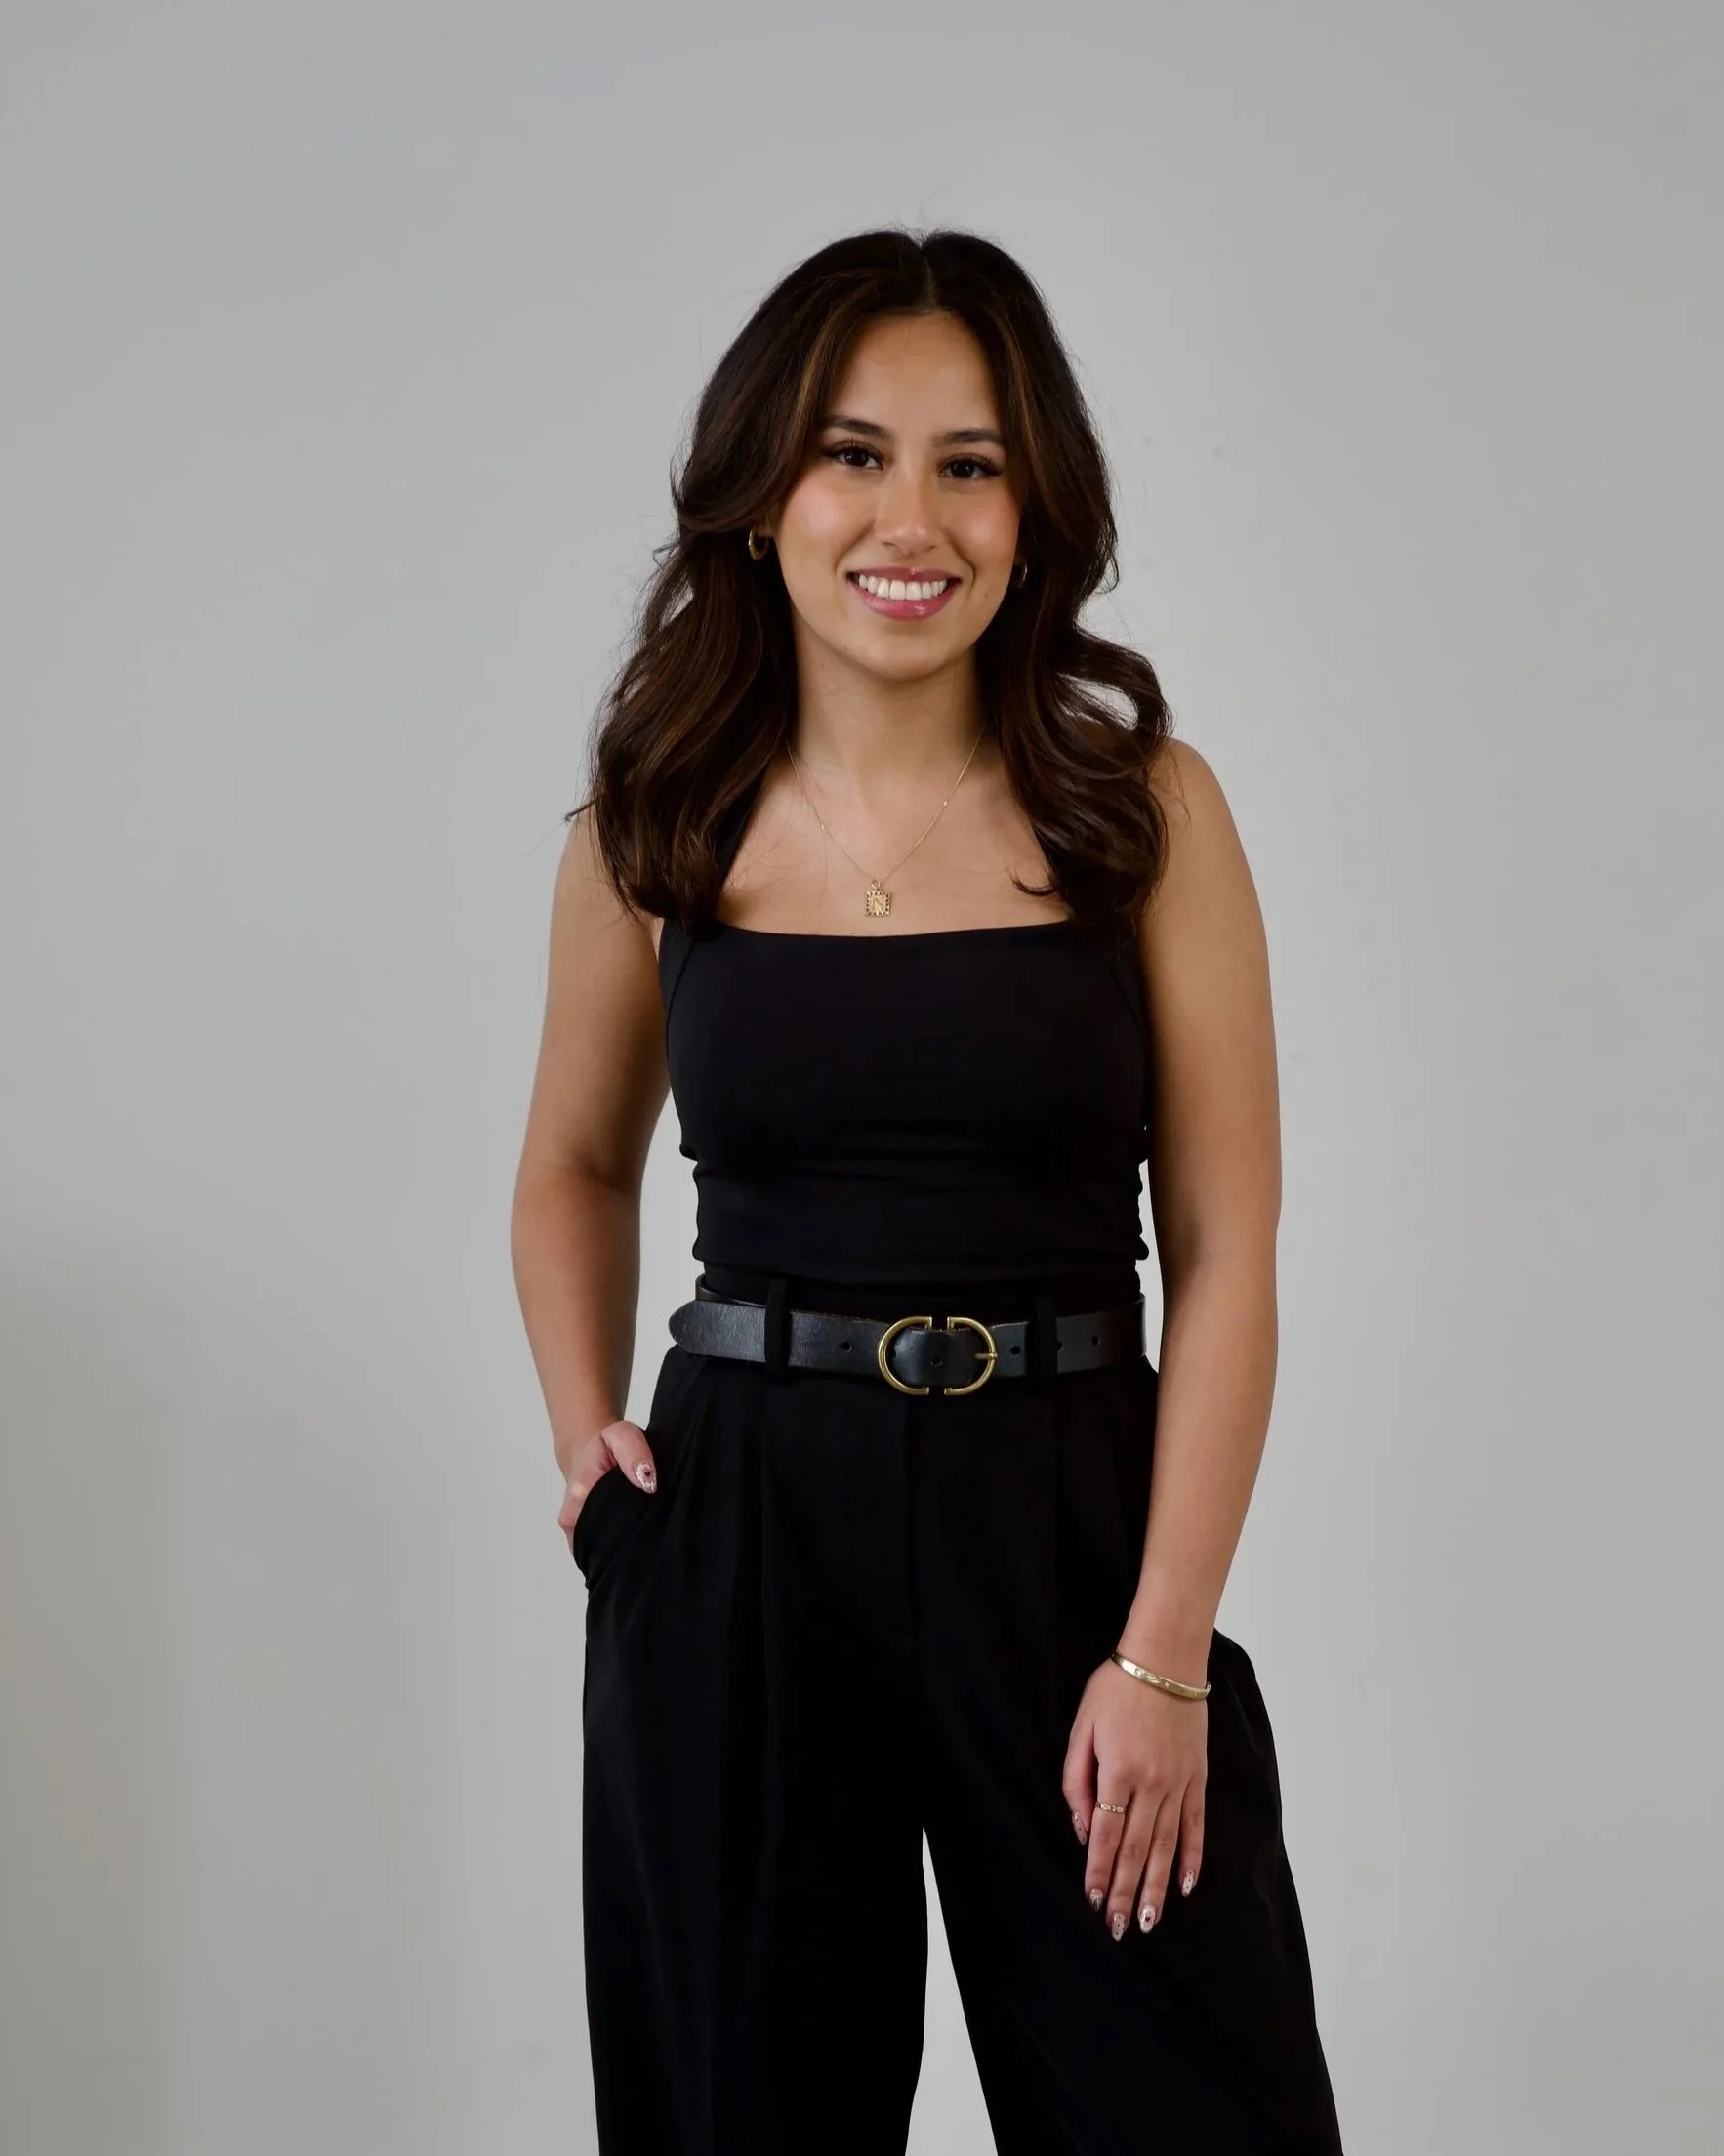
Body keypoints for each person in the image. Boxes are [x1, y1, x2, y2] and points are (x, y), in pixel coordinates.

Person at [511, 228, 1344, 2155]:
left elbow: (1225, 1253)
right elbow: (566, 1163)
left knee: (1185, 2104)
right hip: (739, 1529)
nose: (912, 516)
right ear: (760, 496)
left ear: (1033, 498)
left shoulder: (1143, 811)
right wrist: (587, 1449)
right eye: (853, 452)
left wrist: (1160, 1650)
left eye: (969, 461)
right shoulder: (656, 825)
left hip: (1065, 1521)